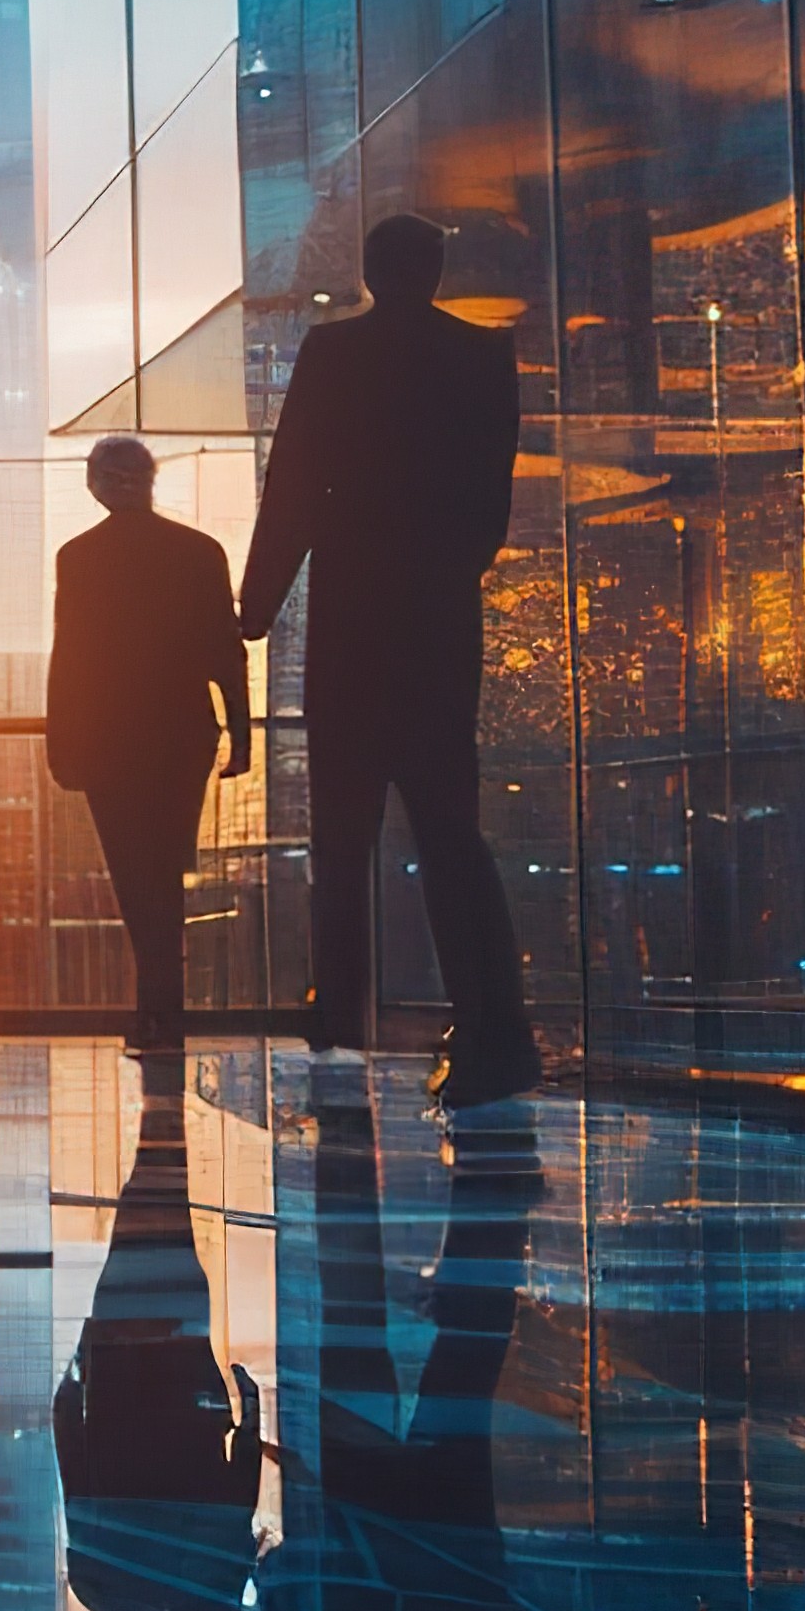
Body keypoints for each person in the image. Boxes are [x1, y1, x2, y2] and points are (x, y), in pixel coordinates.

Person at [240, 213, 541, 1103]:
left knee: (343, 833)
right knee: (451, 832)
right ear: (439, 271)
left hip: (352, 627)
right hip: (440, 628)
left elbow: (292, 483)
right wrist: (444, 576)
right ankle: (490, 1022)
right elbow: (492, 505)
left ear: (371, 273)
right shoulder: (485, 359)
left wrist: (256, 608)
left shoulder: (333, 356)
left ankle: (341, 1013)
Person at [52, 1083, 264, 1611]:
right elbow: (75, 1466)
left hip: (179, 1365)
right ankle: (158, 1108)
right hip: (120, 1358)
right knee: (142, 1222)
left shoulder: (208, 1604)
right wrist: (75, 1377)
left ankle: (163, 1112)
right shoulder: (93, 1585)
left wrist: (245, 1418)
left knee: (170, 1233)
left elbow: (235, 1501)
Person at [45, 432, 252, 1050]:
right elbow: (226, 650)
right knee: (166, 864)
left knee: (136, 874)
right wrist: (240, 736)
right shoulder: (198, 550)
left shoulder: (78, 557)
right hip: (182, 735)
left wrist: (62, 745)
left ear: (94, 484)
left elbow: (70, 657)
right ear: (151, 479)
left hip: (109, 740)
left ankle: (157, 1009)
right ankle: (164, 1007)